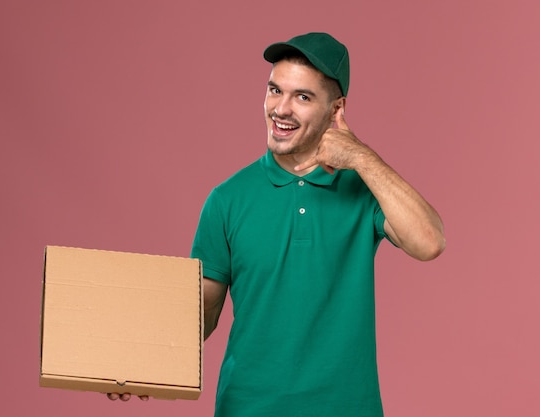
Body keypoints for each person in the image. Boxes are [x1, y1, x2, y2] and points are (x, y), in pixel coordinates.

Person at [109, 32, 445, 416]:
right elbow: (203, 311)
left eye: (302, 97)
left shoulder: (364, 190)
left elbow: (429, 241)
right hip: (248, 407)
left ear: (337, 109)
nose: (280, 109)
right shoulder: (228, 199)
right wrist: (139, 364)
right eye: (274, 90)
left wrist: (362, 159)